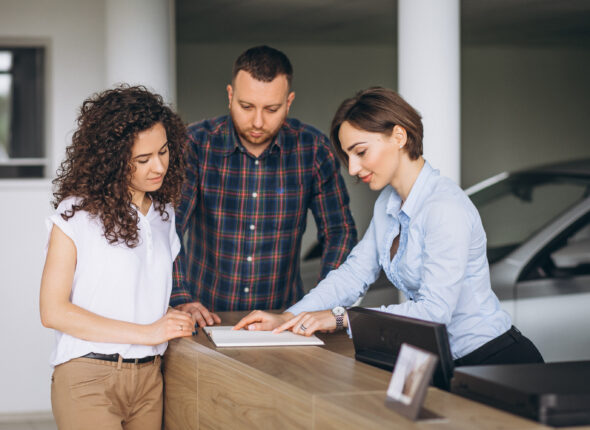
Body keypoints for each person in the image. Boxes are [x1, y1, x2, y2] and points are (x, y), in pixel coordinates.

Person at [235, 87, 544, 367]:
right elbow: (355, 273)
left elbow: (434, 311)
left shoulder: (444, 207)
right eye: (348, 156)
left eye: (360, 152)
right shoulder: (388, 202)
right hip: (443, 361)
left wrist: (341, 318)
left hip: (496, 361)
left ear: (399, 136)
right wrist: (289, 317)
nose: (353, 169)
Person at [40, 85, 195, 430]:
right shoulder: (76, 214)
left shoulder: (164, 214)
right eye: (143, 160)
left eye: (164, 151)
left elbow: (136, 295)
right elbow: (52, 311)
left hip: (150, 377)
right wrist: (149, 331)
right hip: (88, 376)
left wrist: (173, 314)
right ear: (112, 160)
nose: (158, 166)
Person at [170, 45, 357, 322]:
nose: (258, 121)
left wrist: (322, 303)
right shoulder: (196, 144)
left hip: (284, 317)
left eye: (271, 109)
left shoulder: (314, 150)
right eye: (247, 107)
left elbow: (339, 232)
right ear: (230, 96)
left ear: (289, 102)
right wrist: (180, 296)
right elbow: (167, 226)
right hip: (205, 314)